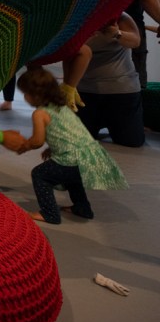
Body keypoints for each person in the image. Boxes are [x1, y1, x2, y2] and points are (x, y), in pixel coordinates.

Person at [16, 67, 127, 224]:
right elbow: (68, 134)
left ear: (35, 95)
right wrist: (51, 148)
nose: (24, 97)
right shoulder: (62, 107)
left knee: (40, 175)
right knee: (73, 179)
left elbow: (37, 141)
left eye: (25, 93)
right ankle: (82, 208)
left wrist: (25, 146)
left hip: (71, 159)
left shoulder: (40, 113)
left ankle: (49, 213)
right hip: (89, 157)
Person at [67, 12, 145, 147]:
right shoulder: (76, 16)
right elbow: (67, 54)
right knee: (77, 139)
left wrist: (117, 33)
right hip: (85, 91)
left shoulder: (120, 16)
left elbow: (136, 41)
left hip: (122, 91)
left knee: (131, 142)